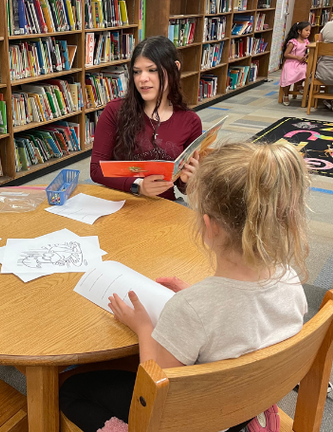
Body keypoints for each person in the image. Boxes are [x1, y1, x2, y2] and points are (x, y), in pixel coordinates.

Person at [59, 140, 309, 432]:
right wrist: (197, 295)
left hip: (199, 418)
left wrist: (143, 328)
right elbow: (245, 317)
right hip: (249, 401)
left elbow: (156, 389)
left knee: (72, 389)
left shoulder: (191, 309)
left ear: (209, 226)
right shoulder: (291, 279)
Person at [90, 36, 202, 202]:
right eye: (137, 71)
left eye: (152, 70)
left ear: (174, 68)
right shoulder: (115, 110)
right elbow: (96, 170)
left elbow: (182, 188)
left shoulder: (190, 121)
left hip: (163, 207)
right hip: (120, 203)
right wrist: (138, 185)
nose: (142, 78)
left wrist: (189, 179)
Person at [280, 21, 312, 102]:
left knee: (305, 70)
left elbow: (308, 51)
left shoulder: (306, 41)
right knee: (289, 76)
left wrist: (306, 55)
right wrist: (297, 57)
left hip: (301, 63)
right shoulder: (293, 42)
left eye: (309, 31)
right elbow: (286, 54)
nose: (308, 32)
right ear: (299, 31)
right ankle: (286, 95)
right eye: (306, 30)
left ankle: (299, 85)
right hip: (291, 63)